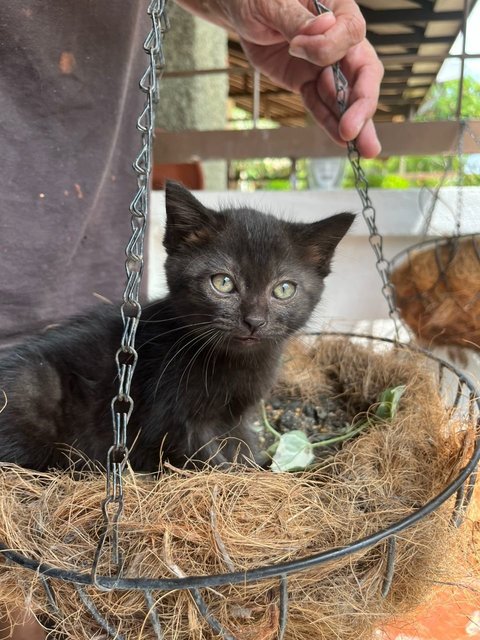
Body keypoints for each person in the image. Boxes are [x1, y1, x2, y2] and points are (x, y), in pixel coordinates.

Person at [0, 1, 382, 637]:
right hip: (43, 425)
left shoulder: (252, 342)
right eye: (227, 284)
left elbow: (226, 420)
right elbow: (191, 430)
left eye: (284, 290)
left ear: (315, 272)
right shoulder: (177, 345)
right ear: (182, 248)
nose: (256, 315)